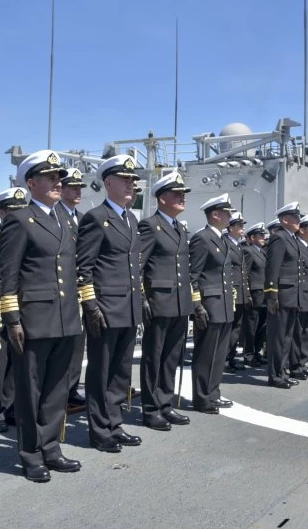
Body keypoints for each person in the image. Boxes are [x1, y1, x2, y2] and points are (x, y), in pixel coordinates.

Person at [0, 149, 82, 482]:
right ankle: (31, 454)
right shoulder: (20, 219)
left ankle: (51, 448)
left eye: (58, 177)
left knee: (57, 389)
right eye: (50, 178)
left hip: (65, 317)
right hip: (33, 318)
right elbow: (7, 274)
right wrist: (12, 319)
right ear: (31, 183)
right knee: (30, 391)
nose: (57, 183)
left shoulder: (65, 219)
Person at [76, 155, 142, 452]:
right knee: (100, 373)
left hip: (128, 307)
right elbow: (84, 267)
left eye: (132, 180)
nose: (130, 184)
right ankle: (99, 430)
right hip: (105, 308)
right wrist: (90, 306)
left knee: (121, 372)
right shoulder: (95, 218)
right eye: (125, 180)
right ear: (108, 183)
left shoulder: (130, 219)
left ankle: (115, 423)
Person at [138, 171, 193, 431]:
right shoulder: (150, 226)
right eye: (176, 194)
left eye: (182, 194)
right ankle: (150, 409)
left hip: (179, 302)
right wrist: (142, 297)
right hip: (159, 301)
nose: (182, 197)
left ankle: (166, 403)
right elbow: (138, 265)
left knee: (172, 356)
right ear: (162, 198)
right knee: (154, 357)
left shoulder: (180, 228)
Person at [0, 187, 31, 434]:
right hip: (0, 308)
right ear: (2, 213)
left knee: (18, 361)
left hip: (24, 307)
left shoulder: (28, 232)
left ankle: (12, 407)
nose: (18, 215)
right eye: (13, 211)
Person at [188, 194, 235, 412]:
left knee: (219, 354)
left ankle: (213, 393)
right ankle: (201, 398)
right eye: (226, 213)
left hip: (224, 304)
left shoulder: (223, 239)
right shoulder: (202, 238)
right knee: (206, 354)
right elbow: (193, 275)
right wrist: (197, 306)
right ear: (215, 214)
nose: (230, 216)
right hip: (210, 305)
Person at [57, 167, 88, 411]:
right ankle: (60, 392)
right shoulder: (55, 215)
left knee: (78, 344)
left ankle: (71, 389)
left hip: (80, 289)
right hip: (61, 291)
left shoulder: (81, 218)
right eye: (72, 187)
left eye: (79, 187)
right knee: (63, 348)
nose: (77, 191)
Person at [264, 202, 303, 389]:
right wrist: (271, 294)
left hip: (292, 295)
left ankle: (282, 372)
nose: (299, 221)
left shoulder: (292, 239)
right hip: (281, 296)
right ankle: (275, 376)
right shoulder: (279, 238)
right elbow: (273, 267)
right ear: (285, 219)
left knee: (287, 337)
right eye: (295, 218)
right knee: (278, 338)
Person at [290, 214, 308, 380]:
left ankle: (302, 363)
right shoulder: (298, 246)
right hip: (300, 295)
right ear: (302, 230)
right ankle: (295, 366)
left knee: (306, 333)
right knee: (298, 333)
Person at [224, 211, 250, 371]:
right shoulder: (225, 243)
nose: (242, 228)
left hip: (240, 293)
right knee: (228, 329)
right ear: (230, 227)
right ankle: (225, 359)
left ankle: (231, 358)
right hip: (231, 292)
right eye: (239, 225)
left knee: (236, 329)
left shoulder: (238, 245)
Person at [242, 223, 267, 368]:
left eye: (264, 235)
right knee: (251, 325)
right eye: (260, 235)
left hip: (263, 293)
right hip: (254, 292)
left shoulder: (262, 252)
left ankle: (257, 352)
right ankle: (248, 354)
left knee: (261, 326)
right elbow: (246, 274)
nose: (264, 238)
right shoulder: (249, 251)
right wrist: (248, 293)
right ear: (252, 238)